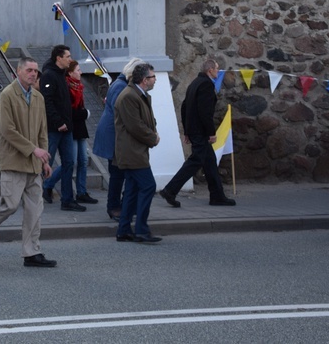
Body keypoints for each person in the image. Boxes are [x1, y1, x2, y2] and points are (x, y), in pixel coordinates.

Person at [0, 57, 57, 268]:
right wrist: (34, 149)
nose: (33, 74)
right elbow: (7, 130)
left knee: (34, 210)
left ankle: (31, 253)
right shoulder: (6, 96)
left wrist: (45, 159)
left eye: (36, 71)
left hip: (34, 164)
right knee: (10, 205)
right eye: (29, 70)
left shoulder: (38, 97)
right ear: (18, 71)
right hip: (13, 162)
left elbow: (42, 132)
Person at [160, 59, 237, 207]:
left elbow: (185, 108)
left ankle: (217, 196)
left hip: (194, 130)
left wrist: (187, 131)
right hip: (201, 132)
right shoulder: (206, 85)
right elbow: (205, 112)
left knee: (210, 164)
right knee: (195, 161)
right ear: (210, 70)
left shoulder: (194, 83)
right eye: (216, 68)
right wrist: (211, 132)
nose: (218, 71)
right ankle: (170, 190)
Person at [114, 62, 162, 243]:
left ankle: (124, 230)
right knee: (148, 186)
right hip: (131, 151)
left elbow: (147, 119)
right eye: (153, 76)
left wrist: (153, 132)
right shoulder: (128, 96)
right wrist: (153, 137)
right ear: (144, 80)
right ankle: (141, 229)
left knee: (132, 190)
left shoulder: (140, 95)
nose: (155, 79)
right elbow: (135, 125)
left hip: (135, 150)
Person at [92, 58, 143, 220]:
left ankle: (121, 205)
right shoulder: (122, 86)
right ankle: (114, 207)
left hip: (113, 134)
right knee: (117, 173)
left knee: (119, 173)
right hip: (114, 135)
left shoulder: (119, 83)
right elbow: (121, 114)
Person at [41, 45, 86, 212]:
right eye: (67, 56)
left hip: (67, 128)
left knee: (69, 163)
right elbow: (48, 101)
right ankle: (36, 194)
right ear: (58, 58)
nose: (70, 59)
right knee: (46, 162)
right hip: (55, 129)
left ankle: (67, 200)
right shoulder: (49, 75)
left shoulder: (62, 75)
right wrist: (58, 122)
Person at [65, 60, 98, 205]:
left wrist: (83, 113)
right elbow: (69, 112)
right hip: (72, 128)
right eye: (78, 70)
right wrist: (84, 114)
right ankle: (49, 185)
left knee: (83, 160)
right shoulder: (67, 87)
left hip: (81, 128)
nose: (81, 72)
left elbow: (79, 109)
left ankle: (82, 192)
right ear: (70, 72)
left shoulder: (79, 87)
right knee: (71, 161)